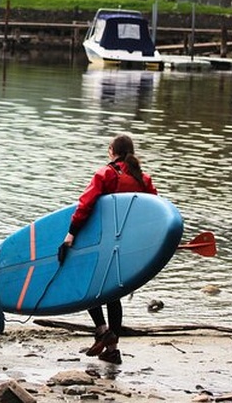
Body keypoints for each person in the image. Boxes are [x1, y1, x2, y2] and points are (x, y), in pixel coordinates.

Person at [60, 133, 158, 365]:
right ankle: (113, 350)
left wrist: (71, 232)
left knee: (90, 285)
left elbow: (86, 204)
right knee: (112, 293)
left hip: (103, 242)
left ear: (112, 151)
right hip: (128, 247)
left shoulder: (106, 174)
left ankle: (103, 331)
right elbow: (155, 212)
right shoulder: (144, 179)